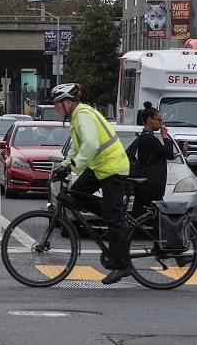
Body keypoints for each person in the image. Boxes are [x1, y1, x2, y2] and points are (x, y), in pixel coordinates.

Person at [52, 82, 131, 285]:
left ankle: (123, 264)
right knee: (75, 194)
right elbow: (76, 147)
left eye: (58, 104)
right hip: (99, 167)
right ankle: (112, 218)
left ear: (68, 102)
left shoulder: (84, 115)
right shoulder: (76, 118)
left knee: (114, 217)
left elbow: (91, 144)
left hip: (113, 167)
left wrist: (73, 166)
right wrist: (65, 165)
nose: (56, 108)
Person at [131, 101, 175, 217]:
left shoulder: (146, 137)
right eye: (159, 120)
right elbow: (169, 153)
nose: (161, 123)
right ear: (149, 120)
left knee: (138, 215)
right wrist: (164, 135)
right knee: (162, 216)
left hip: (146, 184)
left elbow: (161, 153)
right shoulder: (149, 138)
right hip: (151, 184)